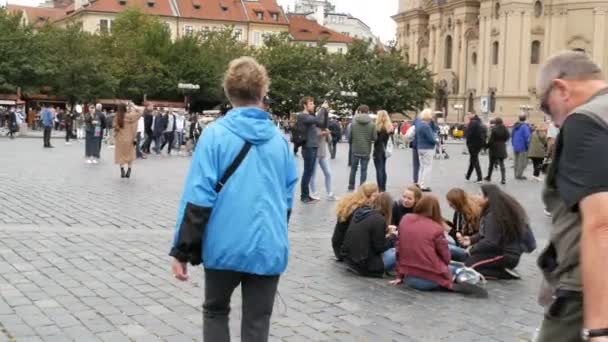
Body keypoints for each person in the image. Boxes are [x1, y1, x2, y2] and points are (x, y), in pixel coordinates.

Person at [169, 57, 298, 342]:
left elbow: (198, 196)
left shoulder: (214, 136)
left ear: (228, 93)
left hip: (223, 242)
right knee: (257, 320)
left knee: (215, 311)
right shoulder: (280, 142)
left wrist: (182, 250)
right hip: (268, 244)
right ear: (262, 93)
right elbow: (287, 201)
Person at [534, 51, 608, 342]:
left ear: (561, 88)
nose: (553, 119)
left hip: (585, 291)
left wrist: (599, 329)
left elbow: (601, 223)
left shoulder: (586, 120)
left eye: (547, 107)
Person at [389, 195, 488, 297]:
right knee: (454, 268)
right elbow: (446, 257)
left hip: (409, 278)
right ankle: (466, 271)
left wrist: (399, 276)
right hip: (431, 279)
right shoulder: (436, 228)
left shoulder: (405, 219)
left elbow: (399, 249)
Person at [457, 184, 535, 279]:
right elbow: (487, 233)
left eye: (479, 194)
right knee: (468, 262)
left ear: (487, 198)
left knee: (469, 268)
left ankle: (504, 273)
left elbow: (490, 241)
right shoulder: (493, 211)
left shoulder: (493, 215)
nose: (475, 196)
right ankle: (499, 269)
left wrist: (472, 249)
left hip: (505, 256)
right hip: (498, 252)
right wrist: (471, 239)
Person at [339, 192, 396, 277]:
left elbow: (368, 237)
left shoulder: (360, 212)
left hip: (349, 260)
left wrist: (386, 232)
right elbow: (379, 247)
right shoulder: (379, 219)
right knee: (396, 251)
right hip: (364, 266)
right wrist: (392, 237)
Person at [332, 183, 379, 260]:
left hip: (337, 246)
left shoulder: (351, 201)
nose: (376, 199)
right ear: (367, 196)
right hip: (345, 251)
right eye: (375, 196)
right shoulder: (361, 210)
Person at [297, 97, 325, 203]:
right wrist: (323, 108)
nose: (313, 105)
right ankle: (304, 196)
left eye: (313, 103)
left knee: (309, 172)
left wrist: (325, 111)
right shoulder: (302, 116)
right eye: (311, 103)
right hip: (308, 147)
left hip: (313, 146)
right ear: (305, 106)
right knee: (307, 172)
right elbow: (317, 120)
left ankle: (306, 195)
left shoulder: (310, 116)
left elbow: (322, 123)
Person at [310, 107, 337, 201]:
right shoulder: (314, 125)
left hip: (323, 154)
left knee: (328, 173)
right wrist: (323, 133)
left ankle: (330, 193)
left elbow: (329, 140)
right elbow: (315, 136)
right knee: (313, 175)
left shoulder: (325, 126)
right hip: (315, 153)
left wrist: (328, 133)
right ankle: (313, 193)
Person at [348, 105, 377, 191]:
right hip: (366, 150)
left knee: (353, 169)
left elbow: (350, 137)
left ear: (359, 111)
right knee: (364, 170)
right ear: (368, 112)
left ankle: (351, 186)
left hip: (355, 149)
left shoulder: (353, 123)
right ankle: (362, 187)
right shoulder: (372, 124)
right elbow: (374, 138)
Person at [113, 103, 142, 178]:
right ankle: (129, 170)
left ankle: (122, 170)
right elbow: (140, 112)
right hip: (129, 139)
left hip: (120, 139)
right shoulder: (130, 116)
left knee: (120, 155)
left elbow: (115, 127)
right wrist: (133, 105)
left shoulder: (117, 117)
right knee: (130, 155)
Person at [484, 117, 510, 184]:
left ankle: (489, 177)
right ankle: (503, 179)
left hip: (494, 148)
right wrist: (503, 141)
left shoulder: (494, 129)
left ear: (496, 122)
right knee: (502, 164)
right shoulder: (505, 128)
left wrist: (486, 146)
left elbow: (491, 140)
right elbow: (508, 136)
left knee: (491, 164)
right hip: (502, 147)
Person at [415, 109, 436, 192]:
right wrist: (436, 141)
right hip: (427, 148)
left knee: (422, 167)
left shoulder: (420, 125)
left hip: (420, 147)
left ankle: (420, 183)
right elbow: (431, 139)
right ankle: (424, 185)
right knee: (427, 167)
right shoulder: (426, 126)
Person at [373, 110, 393, 192]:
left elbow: (375, 139)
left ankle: (380, 188)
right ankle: (383, 187)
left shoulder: (377, 127)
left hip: (378, 149)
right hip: (385, 150)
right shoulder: (389, 128)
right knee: (383, 169)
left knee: (379, 169)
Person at [465, 111, 486, 183]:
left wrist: (468, 143)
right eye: (467, 114)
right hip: (478, 144)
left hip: (473, 144)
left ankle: (480, 177)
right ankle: (468, 176)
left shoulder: (473, 122)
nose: (468, 116)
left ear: (473, 114)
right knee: (473, 160)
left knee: (475, 160)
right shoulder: (479, 122)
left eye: (469, 114)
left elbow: (469, 134)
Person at [512, 114, 532, 180]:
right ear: (525, 119)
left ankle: (515, 174)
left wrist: (513, 143)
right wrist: (527, 145)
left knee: (516, 161)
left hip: (515, 145)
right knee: (522, 161)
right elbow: (527, 137)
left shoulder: (515, 126)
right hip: (522, 145)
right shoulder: (524, 126)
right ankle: (519, 175)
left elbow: (512, 135)